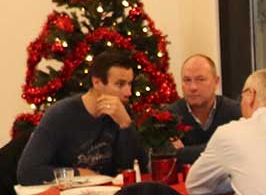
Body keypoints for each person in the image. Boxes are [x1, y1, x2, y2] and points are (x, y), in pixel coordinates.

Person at [16, 50, 145, 185]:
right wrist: (79, 173)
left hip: (106, 193)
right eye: (120, 84)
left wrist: (125, 125)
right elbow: (27, 171)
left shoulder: (121, 112)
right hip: (65, 194)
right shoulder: (61, 114)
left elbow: (136, 170)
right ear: (97, 82)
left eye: (130, 84)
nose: (128, 92)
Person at [168, 54, 241, 165]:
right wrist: (220, 149)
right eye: (187, 80)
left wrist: (184, 152)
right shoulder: (169, 117)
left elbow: (238, 151)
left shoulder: (235, 112)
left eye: (200, 79)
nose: (193, 87)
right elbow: (168, 157)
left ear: (216, 82)